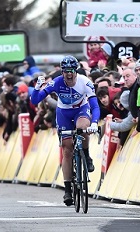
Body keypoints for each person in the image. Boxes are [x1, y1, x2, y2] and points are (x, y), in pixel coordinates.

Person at [30, 55, 100, 206]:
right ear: (62, 72)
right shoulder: (56, 82)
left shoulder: (85, 82)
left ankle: (86, 155)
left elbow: (94, 106)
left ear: (76, 71)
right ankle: (68, 189)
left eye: (72, 71)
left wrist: (94, 122)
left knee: (83, 129)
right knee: (67, 150)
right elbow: (35, 100)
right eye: (66, 71)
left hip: (81, 109)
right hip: (63, 113)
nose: (69, 74)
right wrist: (37, 88)